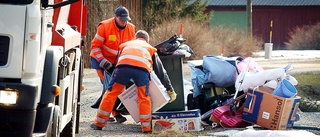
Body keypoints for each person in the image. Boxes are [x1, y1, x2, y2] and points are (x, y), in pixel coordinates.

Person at [90, 30, 177, 133]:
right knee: (143, 97)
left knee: (111, 94)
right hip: (142, 71)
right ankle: (146, 128)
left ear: (135, 38)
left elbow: (119, 63)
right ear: (146, 40)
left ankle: (99, 123)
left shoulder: (125, 45)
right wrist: (169, 89)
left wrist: (120, 83)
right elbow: (160, 72)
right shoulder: (149, 49)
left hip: (123, 69)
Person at [90, 6, 135, 123]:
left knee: (117, 87)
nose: (124, 22)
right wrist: (103, 61)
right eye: (122, 19)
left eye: (126, 19)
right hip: (100, 61)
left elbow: (130, 47)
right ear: (116, 17)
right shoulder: (104, 26)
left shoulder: (131, 28)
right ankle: (111, 113)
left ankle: (114, 112)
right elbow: (95, 46)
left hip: (117, 63)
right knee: (108, 87)